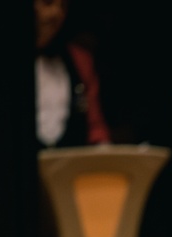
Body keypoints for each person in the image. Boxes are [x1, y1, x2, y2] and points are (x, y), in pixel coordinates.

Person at [34, 0, 111, 150]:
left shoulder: (79, 60)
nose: (56, 13)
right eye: (47, 3)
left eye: (63, 6)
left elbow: (95, 126)